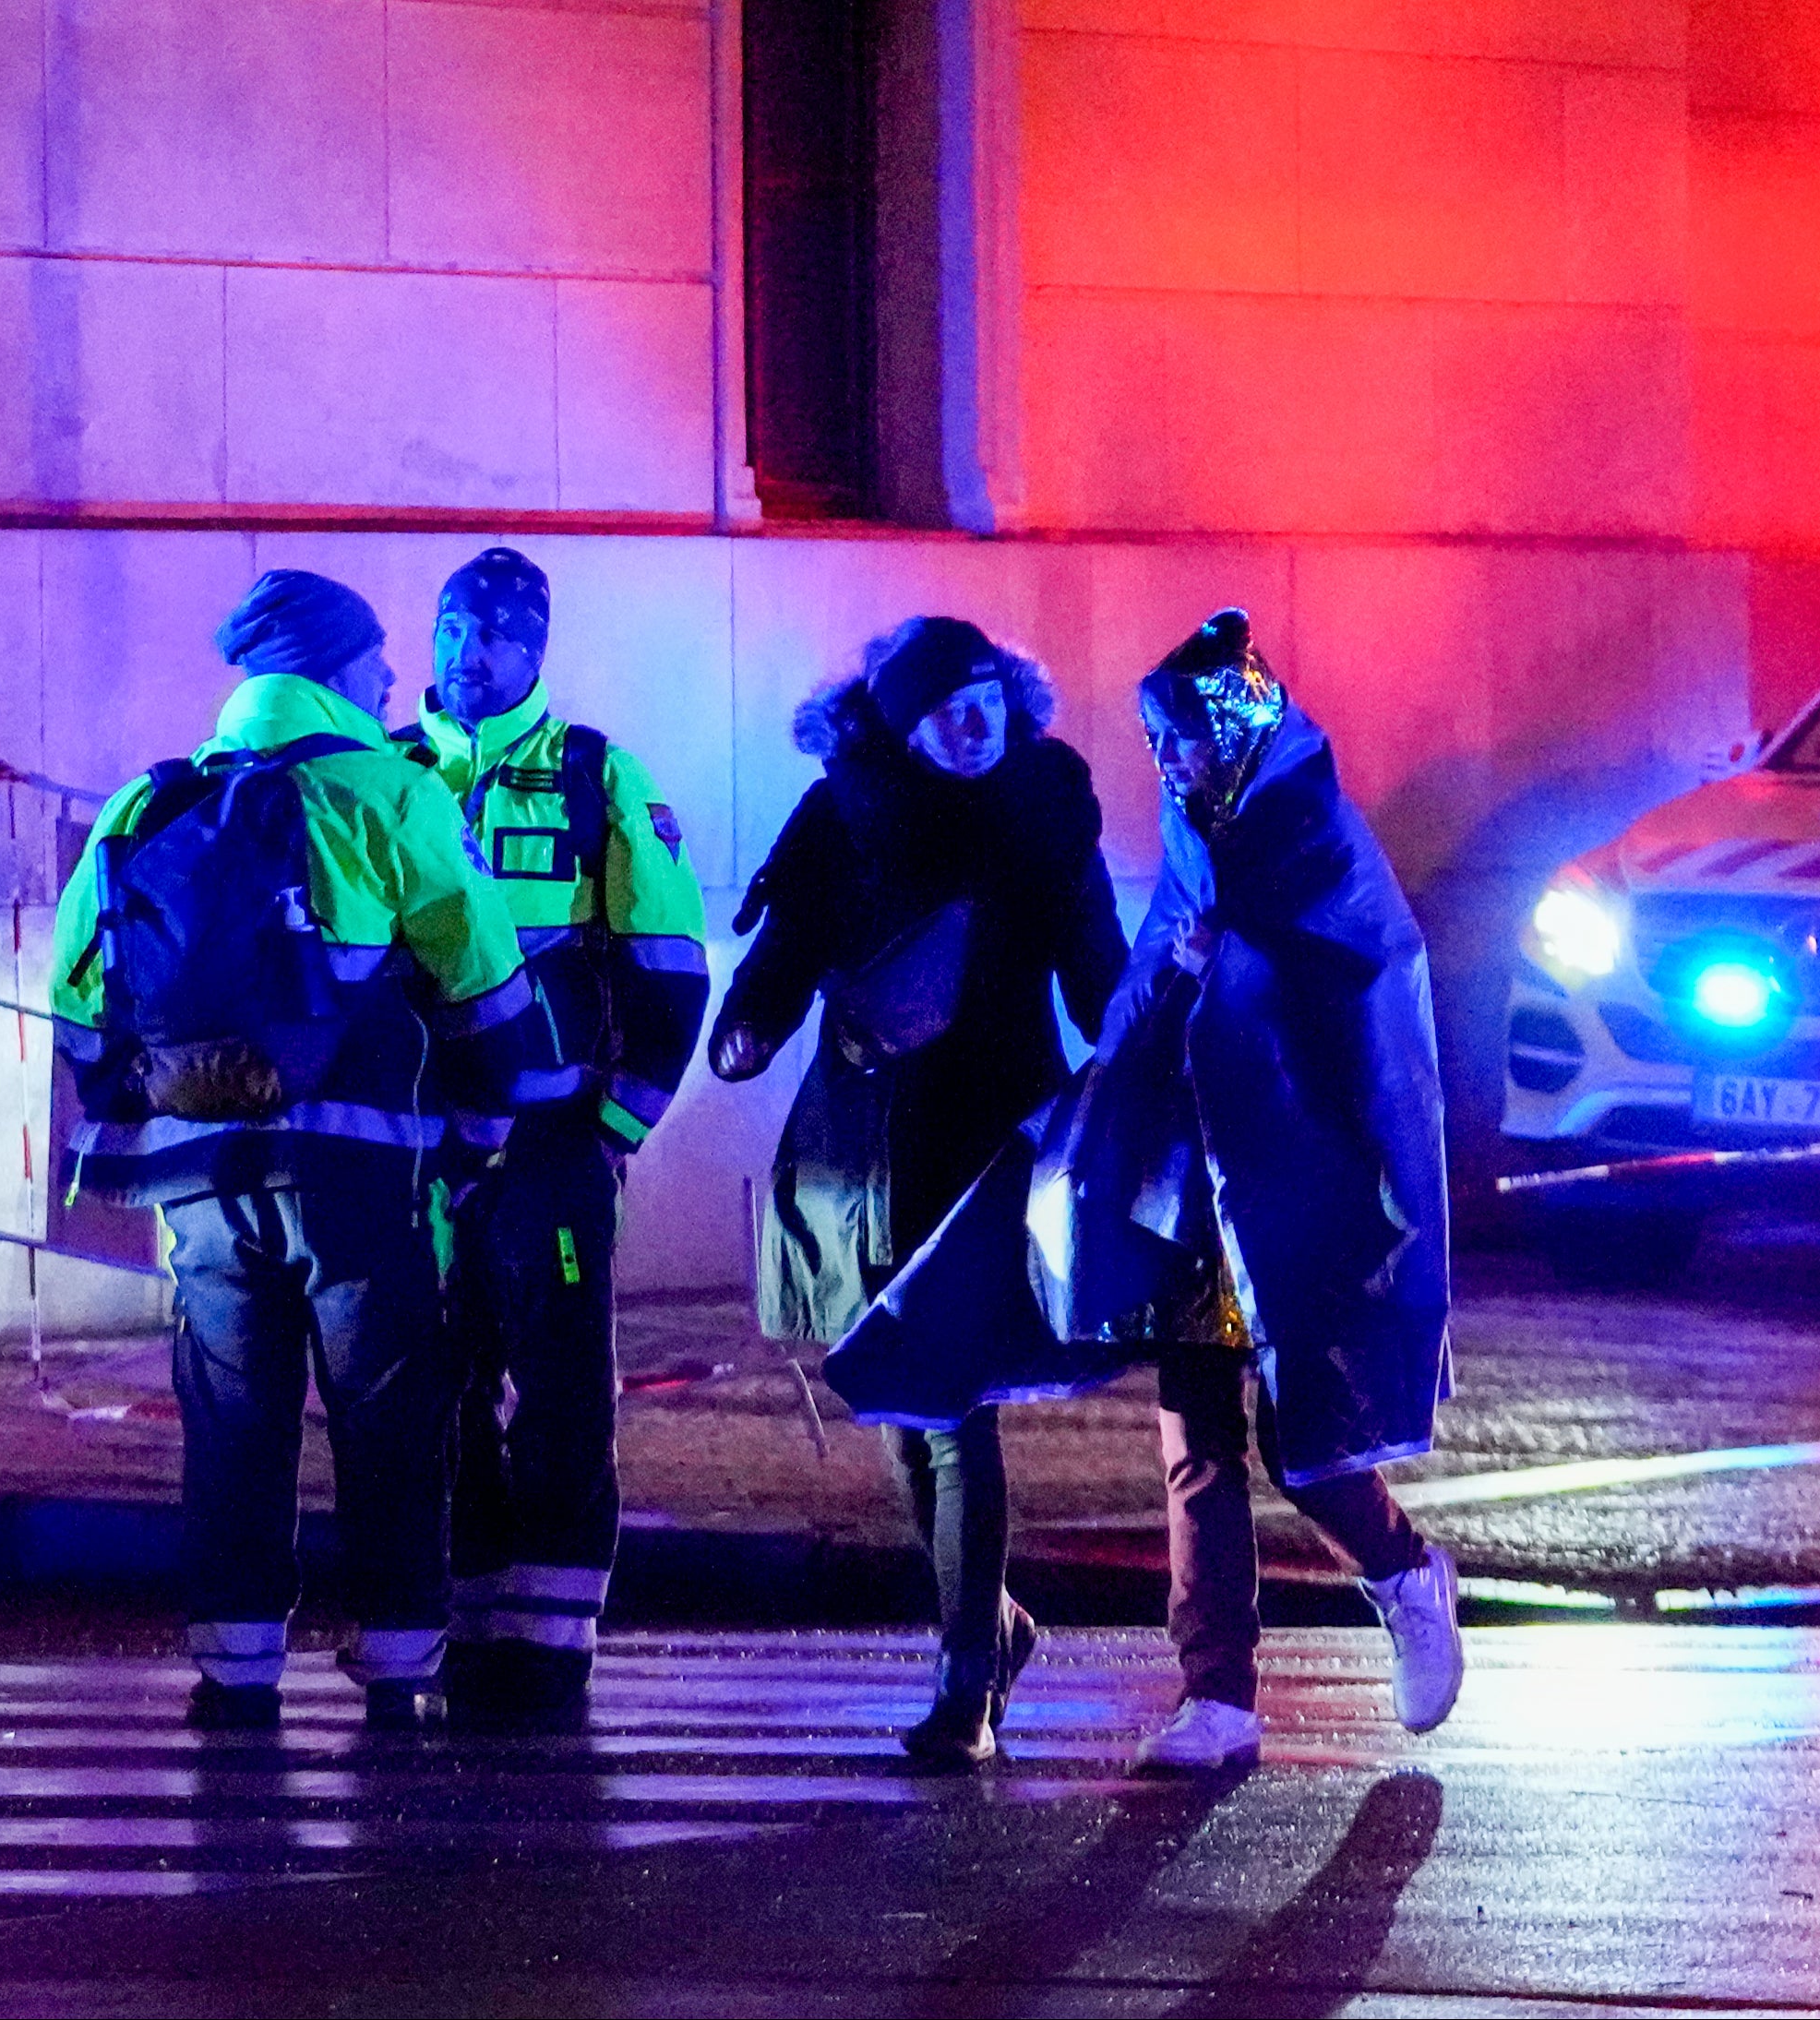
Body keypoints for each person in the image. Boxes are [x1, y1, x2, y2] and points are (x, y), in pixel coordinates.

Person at [825, 608, 1462, 1775]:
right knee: (1196, 1439)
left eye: (1180, 740)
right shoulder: (1193, 832)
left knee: (1304, 1437)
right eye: (1155, 743)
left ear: (1233, 730)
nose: (1163, 764)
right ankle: (1216, 1693)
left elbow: (1359, 979)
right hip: (1194, 1191)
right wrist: (1125, 1062)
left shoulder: (1310, 828)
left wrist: (1239, 966)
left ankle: (1402, 1570)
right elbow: (1145, 979)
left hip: (1295, 1190)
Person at [52, 569, 556, 1731]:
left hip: (200, 1181)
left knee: (232, 1415)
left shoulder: (145, 805)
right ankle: (395, 1660)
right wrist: (497, 1119)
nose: (393, 681)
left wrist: (159, 1107)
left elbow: (82, 1005)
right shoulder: (387, 792)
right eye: (378, 662)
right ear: (334, 670)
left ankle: (235, 1666)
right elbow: (480, 980)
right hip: (357, 1177)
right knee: (387, 1410)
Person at [710, 616, 1125, 1766]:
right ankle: (988, 1623)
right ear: (897, 723)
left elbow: (1096, 964)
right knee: (896, 1400)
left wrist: (1141, 1061)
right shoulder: (846, 809)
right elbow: (785, 948)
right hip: (868, 1144)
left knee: (952, 1403)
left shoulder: (1042, 806)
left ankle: (964, 1679)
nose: (973, 716)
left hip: (992, 1138)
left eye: (988, 691)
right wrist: (744, 1025)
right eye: (947, 703)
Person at [394, 547, 711, 1725]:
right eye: (449, 631)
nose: (465, 654)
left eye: (491, 635)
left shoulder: (593, 775)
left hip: (548, 1146)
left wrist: (615, 1127)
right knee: (442, 1378)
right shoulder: (393, 772)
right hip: (425, 1146)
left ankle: (555, 1633)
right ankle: (472, 1612)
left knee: (563, 1382)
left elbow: (671, 966)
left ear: (535, 650)